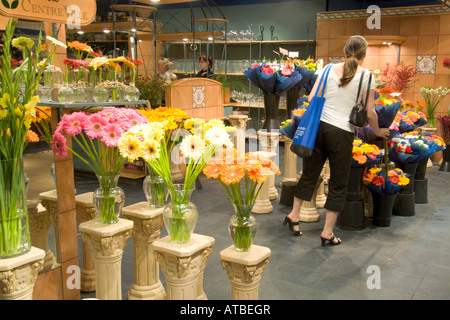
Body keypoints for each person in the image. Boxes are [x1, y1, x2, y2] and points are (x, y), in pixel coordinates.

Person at [283, 35, 390, 246]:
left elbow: (312, 98)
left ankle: (294, 215)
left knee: (309, 175)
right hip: (342, 133)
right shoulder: (367, 76)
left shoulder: (327, 69)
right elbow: (369, 112)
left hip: (319, 128)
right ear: (364, 54)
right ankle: (327, 232)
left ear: (345, 52)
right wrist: (379, 131)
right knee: (339, 183)